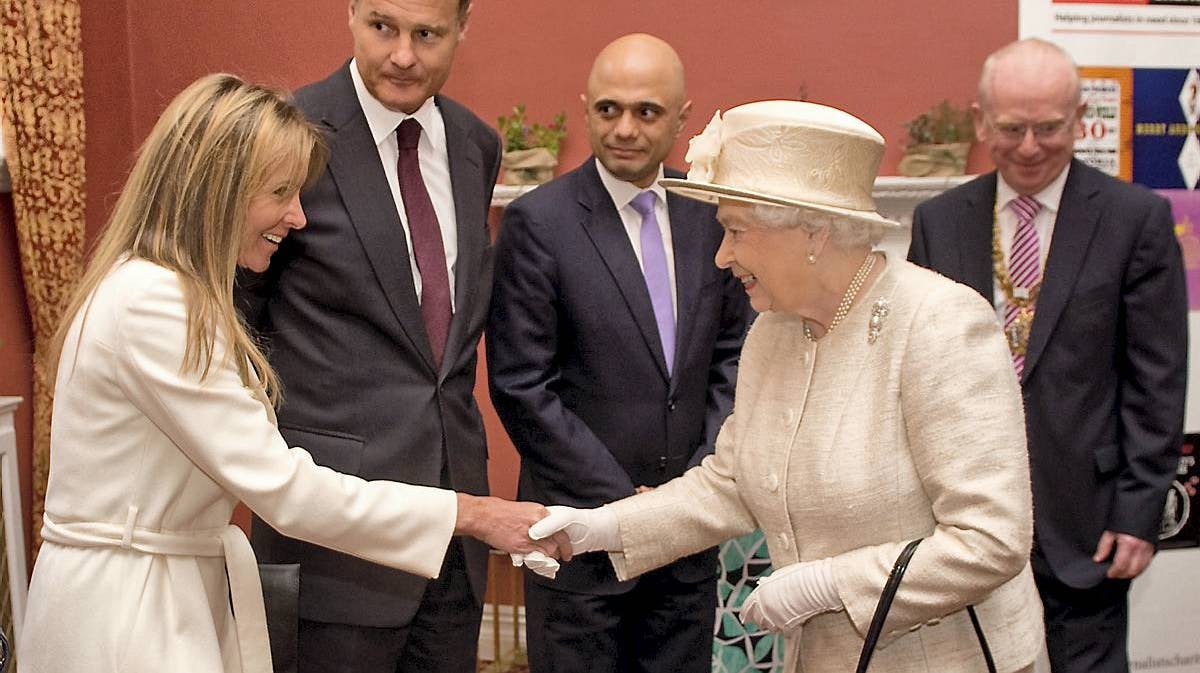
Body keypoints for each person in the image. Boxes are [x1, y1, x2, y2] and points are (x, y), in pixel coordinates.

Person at [19, 74, 565, 673]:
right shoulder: (156, 303)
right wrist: (476, 514)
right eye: (281, 192)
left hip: (167, 590)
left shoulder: (171, 291)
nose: (299, 216)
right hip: (127, 613)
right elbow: (286, 490)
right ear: (218, 190)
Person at [527, 99, 1045, 673]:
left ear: (813, 232)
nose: (722, 257)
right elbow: (731, 482)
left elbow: (990, 540)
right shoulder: (772, 332)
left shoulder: (939, 323)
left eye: (734, 231)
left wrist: (826, 585)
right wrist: (603, 526)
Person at [234, 1, 506, 671]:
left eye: (427, 34)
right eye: (383, 27)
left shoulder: (476, 145)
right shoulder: (289, 131)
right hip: (333, 545)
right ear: (350, 12)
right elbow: (239, 313)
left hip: (454, 535)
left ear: (463, 28)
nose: (403, 55)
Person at [908, 38, 1187, 673]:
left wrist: (1139, 512)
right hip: (962, 522)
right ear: (981, 122)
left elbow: (1158, 380)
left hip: (1086, 525)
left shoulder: (1135, 219)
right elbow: (915, 369)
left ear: (1079, 118)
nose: (1030, 146)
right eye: (1011, 128)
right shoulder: (939, 221)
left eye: (1049, 128)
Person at [487, 33, 751, 673]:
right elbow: (522, 384)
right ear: (585, 110)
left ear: (683, 118)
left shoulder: (712, 213)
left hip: (687, 535)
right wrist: (624, 505)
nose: (624, 128)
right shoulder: (538, 222)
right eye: (608, 110)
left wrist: (690, 488)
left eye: (646, 112)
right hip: (580, 538)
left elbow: (736, 357)